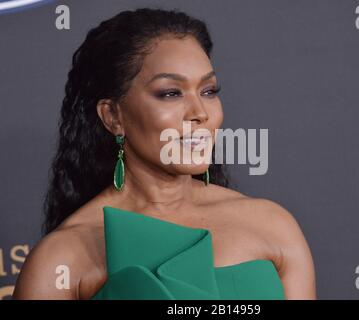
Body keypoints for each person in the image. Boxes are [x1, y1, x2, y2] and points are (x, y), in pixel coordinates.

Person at [13, 7, 316, 300]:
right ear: (113, 116)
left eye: (209, 91)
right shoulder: (60, 261)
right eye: (171, 93)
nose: (200, 113)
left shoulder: (272, 225)